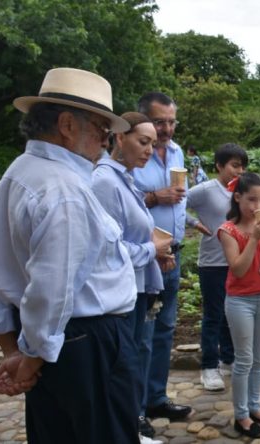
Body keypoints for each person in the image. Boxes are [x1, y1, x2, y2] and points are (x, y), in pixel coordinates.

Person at [0, 67, 141, 443]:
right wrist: (29, 358)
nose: (105, 141)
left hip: (57, 343)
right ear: (67, 124)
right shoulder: (63, 189)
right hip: (85, 344)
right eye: (101, 129)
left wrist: (17, 350)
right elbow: (52, 289)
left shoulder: (17, 174)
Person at [92, 112, 175, 442]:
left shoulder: (126, 178)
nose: (149, 151)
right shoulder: (104, 182)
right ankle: (127, 425)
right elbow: (105, 248)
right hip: (122, 289)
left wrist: (156, 256)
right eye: (143, 142)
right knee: (124, 364)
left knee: (137, 356)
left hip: (139, 284)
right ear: (118, 138)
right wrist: (150, 252)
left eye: (153, 145)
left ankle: (133, 420)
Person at [132, 92, 208, 421]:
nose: (166, 129)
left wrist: (191, 221)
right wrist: (154, 196)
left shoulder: (177, 152)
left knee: (165, 331)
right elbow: (120, 204)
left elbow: (179, 201)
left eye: (171, 121)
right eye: (159, 121)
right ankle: (135, 410)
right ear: (144, 120)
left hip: (172, 256)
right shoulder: (133, 154)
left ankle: (156, 398)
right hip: (146, 258)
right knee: (142, 337)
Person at [217, 173, 260, 438]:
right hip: (240, 300)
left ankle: (255, 407)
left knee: (259, 357)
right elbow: (239, 268)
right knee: (243, 359)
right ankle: (241, 415)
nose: (257, 207)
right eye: (251, 200)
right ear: (237, 198)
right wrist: (255, 238)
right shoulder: (228, 230)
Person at [187, 144, 249, 391]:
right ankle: (209, 367)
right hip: (213, 262)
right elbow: (178, 203)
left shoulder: (241, 191)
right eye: (234, 165)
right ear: (219, 166)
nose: (239, 170)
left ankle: (229, 359)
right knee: (213, 314)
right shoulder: (205, 190)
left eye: (242, 166)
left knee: (230, 314)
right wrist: (194, 222)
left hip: (238, 261)